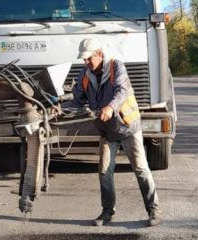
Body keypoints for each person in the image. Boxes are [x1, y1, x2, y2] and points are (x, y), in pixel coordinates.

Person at [69, 36, 161, 227]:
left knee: (141, 169)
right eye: (83, 60)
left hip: (127, 127)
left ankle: (153, 210)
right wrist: (59, 107)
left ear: (99, 54)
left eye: (88, 59)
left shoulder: (116, 67)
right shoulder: (84, 74)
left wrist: (110, 107)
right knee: (104, 171)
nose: (86, 63)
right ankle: (107, 211)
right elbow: (77, 99)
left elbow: (122, 91)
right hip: (107, 130)